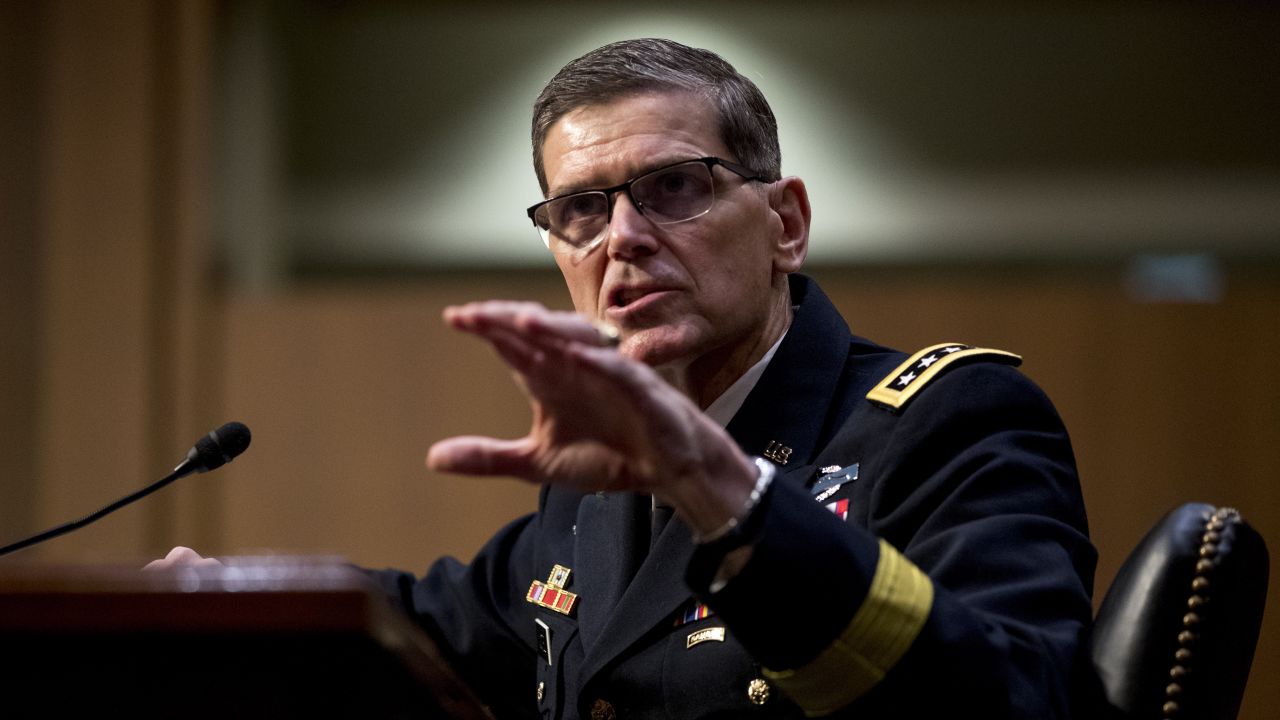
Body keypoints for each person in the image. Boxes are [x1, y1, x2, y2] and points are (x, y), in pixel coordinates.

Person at [154, 39, 1097, 719]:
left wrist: (718, 487)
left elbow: (1024, 696)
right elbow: (446, 623)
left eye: (675, 188)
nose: (624, 240)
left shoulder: (952, 420)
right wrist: (227, 599)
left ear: (786, 225)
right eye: (581, 211)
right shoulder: (593, 478)